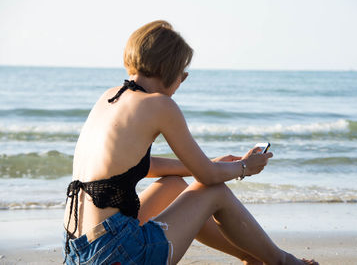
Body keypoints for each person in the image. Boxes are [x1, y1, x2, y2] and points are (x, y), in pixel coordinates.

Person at [63, 20, 318, 265]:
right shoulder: (159, 105)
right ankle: (283, 261)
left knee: (173, 185)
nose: (182, 81)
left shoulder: (110, 97)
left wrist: (205, 165)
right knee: (215, 191)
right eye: (183, 74)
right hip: (118, 254)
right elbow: (208, 178)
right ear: (171, 70)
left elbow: (140, 165)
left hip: (80, 251)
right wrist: (245, 167)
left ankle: (252, 257)